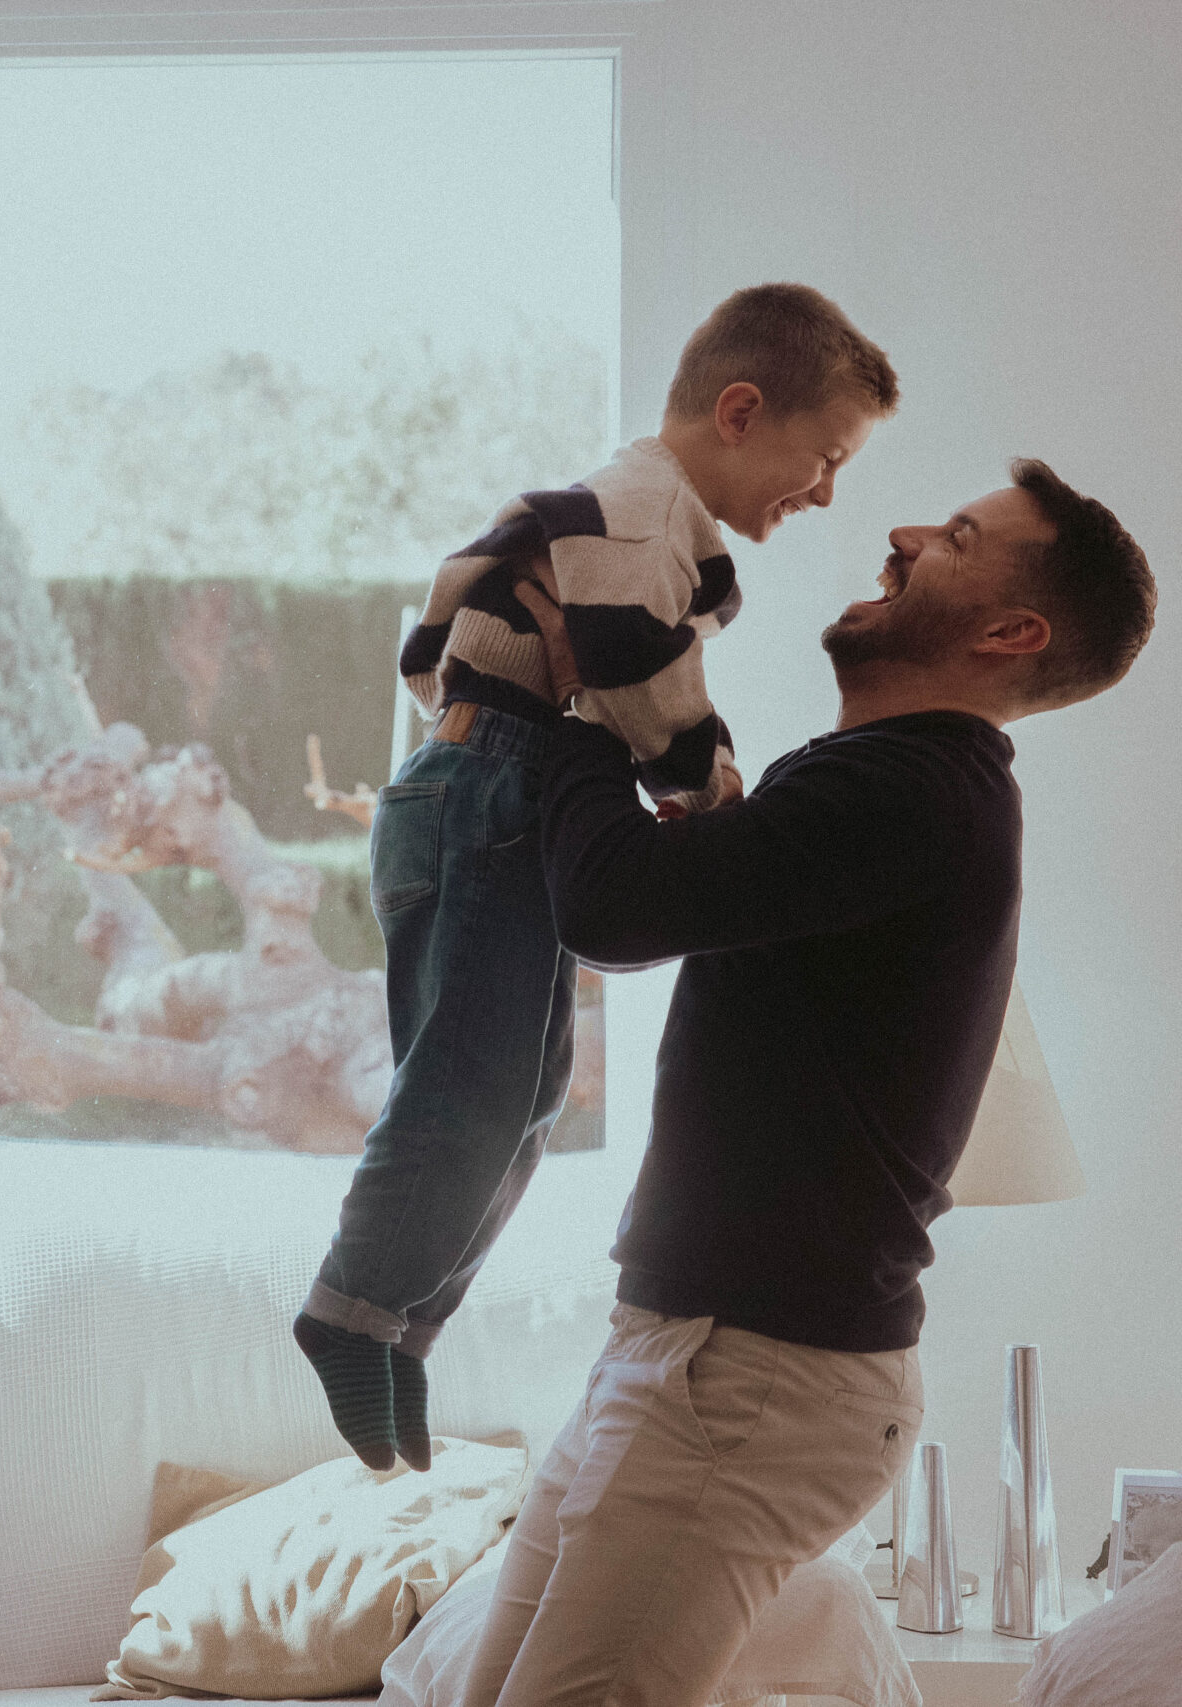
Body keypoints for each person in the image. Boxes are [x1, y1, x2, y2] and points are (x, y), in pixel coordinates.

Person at [465, 460, 1153, 1705]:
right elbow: (662, 895)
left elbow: (614, 906)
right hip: (689, 1350)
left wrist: (580, 693)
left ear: (1010, 634)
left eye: (955, 536)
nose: (903, 533)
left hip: (750, 1380)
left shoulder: (907, 790)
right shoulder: (892, 783)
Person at [297, 283, 901, 1471]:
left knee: (524, 1094)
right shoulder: (640, 511)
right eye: (825, 458)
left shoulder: (628, 512)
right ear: (740, 411)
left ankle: (403, 1325)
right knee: (466, 1086)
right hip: (490, 789)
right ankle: (349, 1313)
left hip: (485, 782)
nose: (826, 492)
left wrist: (472, 707)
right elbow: (629, 663)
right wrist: (708, 789)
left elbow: (441, 623)